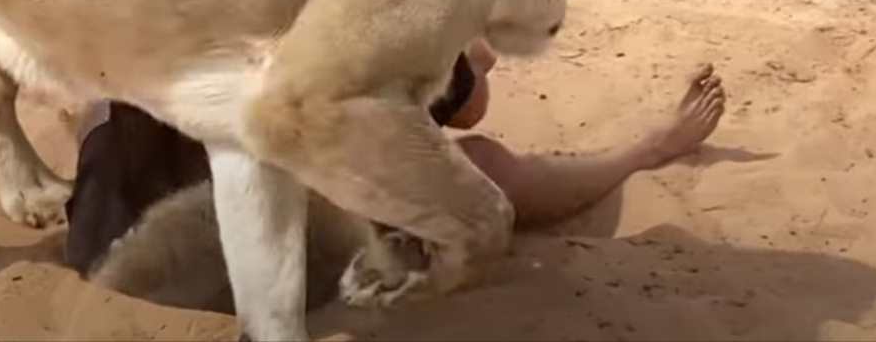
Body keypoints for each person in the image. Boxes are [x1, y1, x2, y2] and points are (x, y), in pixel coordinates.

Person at [63, 43, 726, 305]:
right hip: (262, 255)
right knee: (482, 169)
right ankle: (647, 151)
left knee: (105, 106)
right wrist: (472, 54)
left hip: (115, 242)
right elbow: (471, 106)